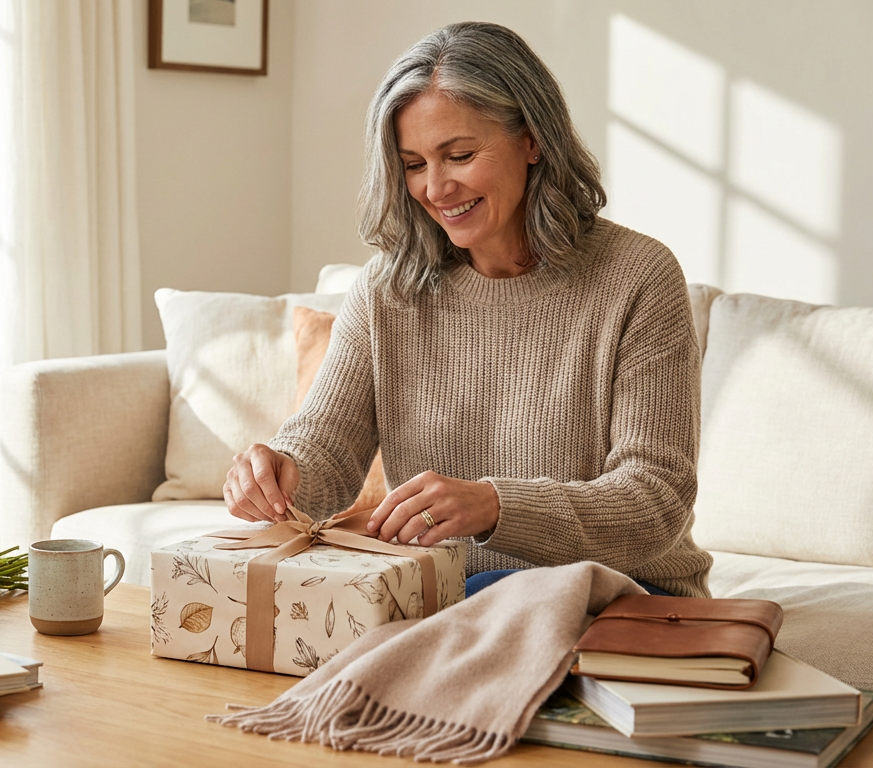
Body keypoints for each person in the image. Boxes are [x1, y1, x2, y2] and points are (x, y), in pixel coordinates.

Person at [221, 21, 712, 599]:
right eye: (413, 164)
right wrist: (278, 471)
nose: (435, 188)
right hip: (450, 599)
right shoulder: (387, 289)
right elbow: (326, 450)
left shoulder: (637, 276)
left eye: (458, 155)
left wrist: (495, 506)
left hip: (620, 599)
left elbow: (655, 499)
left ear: (533, 140)